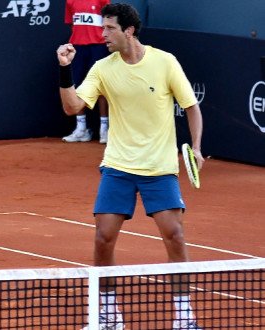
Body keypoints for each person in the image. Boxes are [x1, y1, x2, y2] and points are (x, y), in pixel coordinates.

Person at [57, 3, 204, 330]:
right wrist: (65, 69)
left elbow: (191, 107)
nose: (102, 34)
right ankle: (108, 317)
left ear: (129, 31)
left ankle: (184, 317)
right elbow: (72, 107)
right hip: (118, 166)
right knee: (103, 237)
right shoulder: (102, 68)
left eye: (109, 28)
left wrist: (195, 148)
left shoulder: (165, 62)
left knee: (174, 235)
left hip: (159, 168)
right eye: (103, 27)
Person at [62, 0, 110, 144]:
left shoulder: (103, 0)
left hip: (98, 47)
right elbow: (72, 24)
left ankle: (104, 129)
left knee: (101, 87)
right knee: (76, 86)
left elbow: (109, 24)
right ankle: (81, 129)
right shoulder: (70, 1)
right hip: (78, 47)